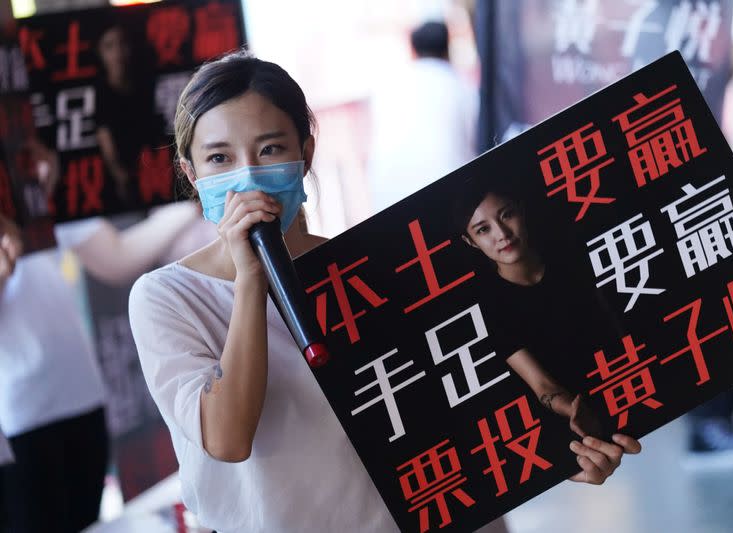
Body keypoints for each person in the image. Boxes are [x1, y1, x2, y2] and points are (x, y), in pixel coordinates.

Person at [128, 52, 639, 533]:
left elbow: (463, 404)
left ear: (305, 154)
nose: (249, 176)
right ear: (192, 174)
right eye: (220, 159)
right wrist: (251, 279)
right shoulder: (166, 297)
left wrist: (561, 456)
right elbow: (227, 438)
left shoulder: (376, 269)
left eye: (270, 149)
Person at [0, 201, 199, 533]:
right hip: (21, 417)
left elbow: (117, 257)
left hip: (83, 396)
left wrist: (195, 201)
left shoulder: (29, 187)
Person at [453, 177, 642, 478]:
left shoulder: (572, 256)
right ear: (470, 241)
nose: (501, 234)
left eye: (506, 215)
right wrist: (575, 410)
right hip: (575, 417)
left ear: (522, 211)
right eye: (483, 229)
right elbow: (541, 385)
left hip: (630, 381)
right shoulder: (490, 307)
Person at [368, 20, 477, 213]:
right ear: (447, 48)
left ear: (413, 50)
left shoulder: (388, 89)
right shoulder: (461, 87)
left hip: (388, 204)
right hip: (449, 199)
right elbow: (479, 142)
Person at [95, 21, 162, 211]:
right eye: (109, 46)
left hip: (153, 174)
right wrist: (120, 177)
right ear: (100, 53)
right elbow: (105, 139)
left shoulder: (145, 86)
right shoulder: (101, 94)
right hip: (121, 186)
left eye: (122, 43)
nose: (118, 53)